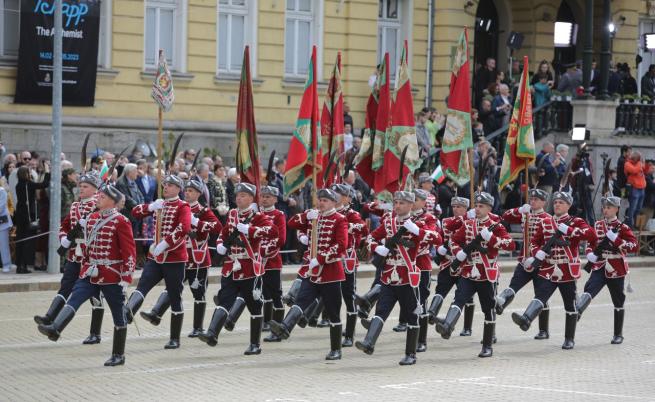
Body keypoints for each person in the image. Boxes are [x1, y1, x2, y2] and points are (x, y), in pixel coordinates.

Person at [37, 184, 136, 366]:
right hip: (91, 272)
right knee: (75, 297)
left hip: (112, 275)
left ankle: (118, 354)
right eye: (99, 195)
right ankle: (56, 328)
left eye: (103, 197)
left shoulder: (121, 221)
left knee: (117, 314)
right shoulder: (92, 218)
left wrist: (126, 278)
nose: (98, 198)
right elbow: (88, 247)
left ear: (113, 202)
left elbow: (129, 252)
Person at [269, 188, 347, 360]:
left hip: (330, 272)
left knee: (333, 312)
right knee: (301, 300)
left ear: (334, 202)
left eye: (325, 200)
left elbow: (341, 245)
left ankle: (336, 349)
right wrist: (305, 217)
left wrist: (320, 258)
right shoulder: (314, 216)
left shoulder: (339, 220)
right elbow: (291, 224)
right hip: (312, 273)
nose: (321, 203)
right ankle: (285, 327)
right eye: (320, 199)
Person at [199, 183, 276, 355]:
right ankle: (212, 333)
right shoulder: (233, 214)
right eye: (237, 195)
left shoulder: (258, 216)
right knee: (225, 299)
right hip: (231, 267)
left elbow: (272, 231)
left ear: (250, 198)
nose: (239, 198)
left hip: (250, 267)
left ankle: (255, 344)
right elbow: (224, 233)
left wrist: (251, 229)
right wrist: (220, 244)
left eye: (243, 195)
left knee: (255, 306)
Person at [511, 192, 595, 350]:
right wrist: (538, 252)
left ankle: (569, 339)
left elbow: (590, 234)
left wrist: (569, 231)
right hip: (549, 267)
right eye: (555, 202)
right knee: (541, 296)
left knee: (569, 305)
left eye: (561, 202)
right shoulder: (546, 222)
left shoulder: (575, 221)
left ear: (569, 205)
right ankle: (526, 319)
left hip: (566, 269)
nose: (557, 205)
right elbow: (534, 242)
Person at [435, 192, 514, 358]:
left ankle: (487, 345)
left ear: (489, 208)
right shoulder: (469, 224)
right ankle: (448, 325)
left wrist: (491, 238)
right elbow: (454, 240)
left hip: (487, 274)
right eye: (476, 206)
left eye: (481, 206)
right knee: (459, 299)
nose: (477, 209)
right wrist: (460, 253)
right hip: (469, 271)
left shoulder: (496, 226)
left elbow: (510, 244)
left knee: (488, 308)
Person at [139, 179, 222, 337]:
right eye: (187, 190)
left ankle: (198, 327)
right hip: (178, 256)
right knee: (172, 287)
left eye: (192, 191)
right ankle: (156, 313)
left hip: (197, 259)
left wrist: (197, 222)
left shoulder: (203, 210)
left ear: (198, 194)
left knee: (198, 292)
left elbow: (217, 227)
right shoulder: (177, 206)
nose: (188, 193)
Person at [355, 190, 426, 365]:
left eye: (402, 203)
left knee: (412, 316)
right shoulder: (389, 223)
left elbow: (436, 238)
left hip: (407, 276)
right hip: (388, 276)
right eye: (396, 202)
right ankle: (369, 342)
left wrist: (417, 231)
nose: (397, 206)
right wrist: (377, 248)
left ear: (410, 205)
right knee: (381, 311)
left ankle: (411, 354)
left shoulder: (418, 222)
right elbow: (371, 237)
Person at [124, 175, 191, 349]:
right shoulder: (159, 203)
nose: (166, 188)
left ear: (178, 189)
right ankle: (127, 313)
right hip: (155, 257)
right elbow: (135, 212)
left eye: (170, 185)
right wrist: (151, 206)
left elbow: (184, 228)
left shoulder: (183, 206)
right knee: (142, 285)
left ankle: (174, 338)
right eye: (164, 185)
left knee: (175, 296)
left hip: (175, 258)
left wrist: (165, 243)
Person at [34, 172, 102, 341]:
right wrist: (63, 238)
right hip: (74, 256)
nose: (81, 189)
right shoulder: (75, 206)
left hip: (91, 257)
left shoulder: (99, 206)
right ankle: (50, 316)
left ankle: (95, 333)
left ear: (95, 190)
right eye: (80, 186)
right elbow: (64, 225)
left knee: (95, 296)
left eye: (85, 187)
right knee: (65, 286)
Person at [578, 196, 636, 344]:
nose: (605, 210)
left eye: (609, 207)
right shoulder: (597, 225)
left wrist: (616, 240)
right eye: (604, 207)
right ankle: (577, 310)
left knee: (618, 300)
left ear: (617, 209)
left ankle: (618, 334)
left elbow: (633, 246)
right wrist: (590, 253)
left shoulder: (623, 227)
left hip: (616, 268)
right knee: (589, 288)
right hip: (599, 265)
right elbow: (592, 242)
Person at [495, 189, 552, 339]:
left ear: (543, 202)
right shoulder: (525, 214)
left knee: (541, 296)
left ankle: (543, 330)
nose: (532, 201)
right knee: (513, 286)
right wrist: (519, 209)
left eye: (536, 199)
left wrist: (537, 257)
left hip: (540, 263)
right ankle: (500, 304)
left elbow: (549, 243)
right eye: (531, 198)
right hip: (523, 259)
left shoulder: (548, 218)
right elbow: (505, 216)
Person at [332, 184, 367, 347]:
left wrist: (345, 225)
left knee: (348, 296)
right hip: (331, 260)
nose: (336, 196)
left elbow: (363, 227)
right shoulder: (328, 213)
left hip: (346, 260)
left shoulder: (351, 214)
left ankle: (350, 334)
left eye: (339, 194)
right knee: (331, 296)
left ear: (347, 198)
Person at [410, 189, 441, 352]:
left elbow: (435, 236)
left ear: (423, 202)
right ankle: (411, 335)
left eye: (415, 199)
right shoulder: (404, 217)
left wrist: (416, 230)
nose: (412, 201)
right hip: (405, 265)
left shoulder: (429, 218)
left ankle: (422, 340)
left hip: (421, 264)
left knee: (421, 302)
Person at [258, 185, 287, 342]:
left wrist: (263, 251)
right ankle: (266, 322)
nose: (264, 199)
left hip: (272, 260)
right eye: (263, 196)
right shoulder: (257, 215)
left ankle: (278, 327)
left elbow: (281, 239)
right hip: (257, 262)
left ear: (275, 199)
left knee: (276, 295)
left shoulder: (278, 215)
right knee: (264, 294)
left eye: (268, 197)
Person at [14, 165, 50, 274]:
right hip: (27, 217)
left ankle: (19, 266)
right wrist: (47, 173)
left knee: (20, 241)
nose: (30, 174)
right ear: (25, 173)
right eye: (29, 172)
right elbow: (44, 184)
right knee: (26, 242)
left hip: (20, 215)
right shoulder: (28, 184)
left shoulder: (18, 185)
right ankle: (23, 266)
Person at [624, 151, 647, 228]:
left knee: (639, 208)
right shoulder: (627, 164)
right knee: (632, 208)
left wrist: (643, 163)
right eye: (638, 159)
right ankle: (629, 225)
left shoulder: (638, 164)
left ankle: (635, 224)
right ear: (636, 159)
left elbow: (644, 168)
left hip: (642, 189)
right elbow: (634, 170)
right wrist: (640, 163)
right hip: (634, 189)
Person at [0, 185, 13, 273]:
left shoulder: (2, 191)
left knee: (3, 244)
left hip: (2, 222)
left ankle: (7, 264)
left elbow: (1, 207)